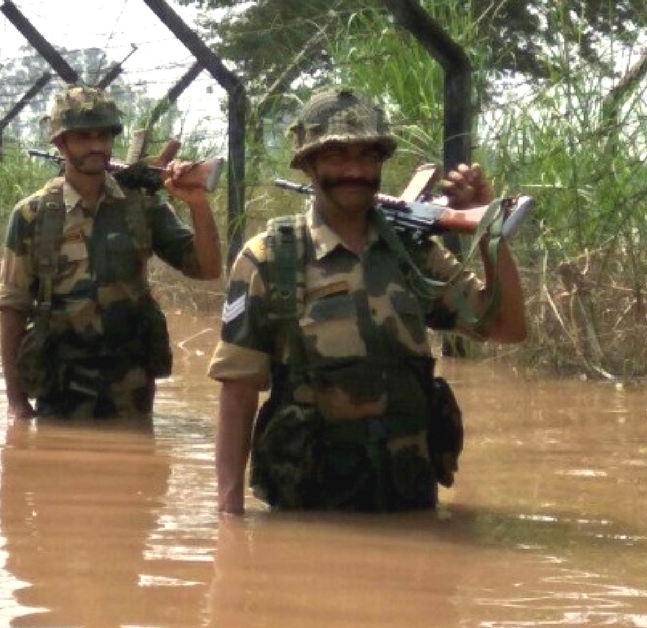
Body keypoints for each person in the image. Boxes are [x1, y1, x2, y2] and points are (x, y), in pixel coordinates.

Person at [209, 87, 527, 515]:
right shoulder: (268, 258)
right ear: (308, 164)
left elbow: (507, 328)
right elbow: (238, 389)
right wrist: (228, 514)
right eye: (337, 157)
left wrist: (491, 229)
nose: (354, 171)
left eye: (367, 157)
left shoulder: (414, 254)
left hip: (409, 503)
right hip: (307, 511)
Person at [0, 84, 223, 419]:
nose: (97, 146)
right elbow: (12, 308)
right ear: (60, 143)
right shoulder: (32, 215)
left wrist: (198, 205)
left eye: (104, 136)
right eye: (84, 137)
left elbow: (208, 268)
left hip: (132, 388)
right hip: (59, 388)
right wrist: (15, 402)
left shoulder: (140, 206)